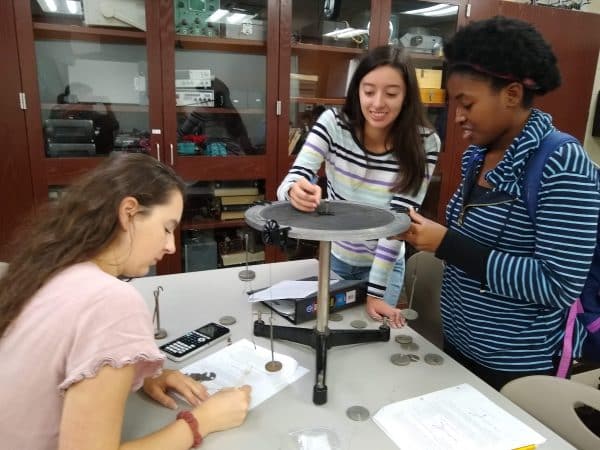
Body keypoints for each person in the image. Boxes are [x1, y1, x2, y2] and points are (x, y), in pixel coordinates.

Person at [0, 153, 251, 449]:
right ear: (129, 212)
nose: (171, 246)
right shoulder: (113, 302)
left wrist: (138, 374)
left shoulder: (51, 267)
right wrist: (204, 420)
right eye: (167, 228)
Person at [401, 16, 600, 390]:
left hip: (514, 366)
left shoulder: (563, 164)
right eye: (452, 103)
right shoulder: (478, 155)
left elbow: (558, 284)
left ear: (510, 94)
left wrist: (446, 244)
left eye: (467, 103)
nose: (456, 117)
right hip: (458, 344)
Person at [277, 45, 440, 327]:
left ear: (407, 96)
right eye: (368, 91)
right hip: (337, 258)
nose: (377, 103)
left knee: (374, 339)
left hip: (385, 267)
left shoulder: (424, 143)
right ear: (357, 91)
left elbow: (398, 225)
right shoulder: (333, 124)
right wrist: (294, 190)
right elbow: (294, 177)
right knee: (332, 329)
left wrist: (375, 292)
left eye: (391, 93)